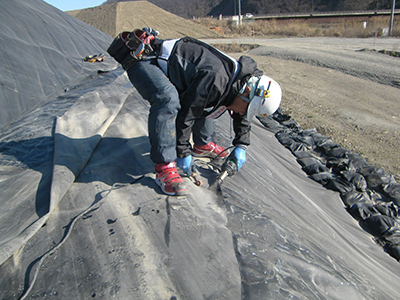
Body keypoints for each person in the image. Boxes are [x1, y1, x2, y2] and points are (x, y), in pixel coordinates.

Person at [107, 28, 282, 196]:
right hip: (145, 59)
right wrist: (183, 152)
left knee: (212, 102)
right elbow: (187, 114)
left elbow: (239, 112)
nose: (242, 113)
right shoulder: (217, 80)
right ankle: (164, 167)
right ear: (245, 93)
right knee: (168, 100)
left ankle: (202, 145)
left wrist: (241, 145)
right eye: (246, 108)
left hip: (181, 71)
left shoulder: (247, 80)